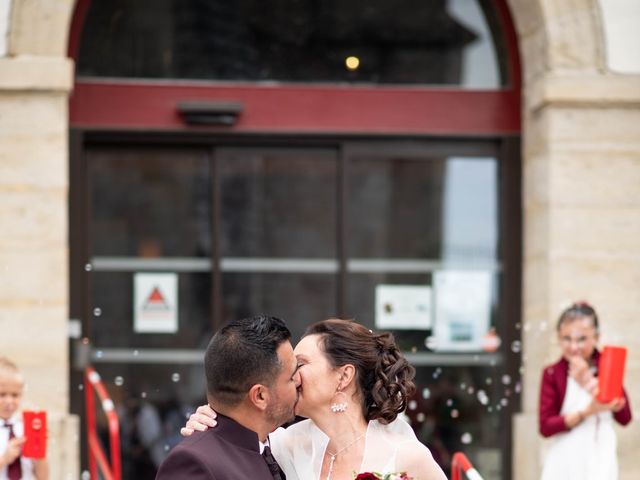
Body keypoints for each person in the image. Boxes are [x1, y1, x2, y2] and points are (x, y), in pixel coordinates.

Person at [183, 318, 447, 480]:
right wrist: (211, 417)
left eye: (301, 364)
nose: (292, 376)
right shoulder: (283, 445)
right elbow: (234, 439)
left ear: (343, 377)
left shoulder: (407, 457)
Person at [155, 315, 301, 479]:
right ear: (260, 396)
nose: (299, 381)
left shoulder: (283, 450)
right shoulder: (195, 463)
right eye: (292, 376)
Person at [539, 302, 632, 480]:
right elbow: (546, 426)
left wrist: (588, 381)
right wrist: (587, 412)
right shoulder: (552, 373)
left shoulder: (608, 365)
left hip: (601, 455)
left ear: (596, 337)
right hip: (566, 458)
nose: (574, 347)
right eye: (567, 338)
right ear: (558, 338)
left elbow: (625, 417)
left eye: (581, 339)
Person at [0, 357, 49, 480]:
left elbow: (42, 477)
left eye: (15, 395)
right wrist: (4, 459)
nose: (9, 401)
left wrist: (40, 452)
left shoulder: (25, 428)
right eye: (2, 394)